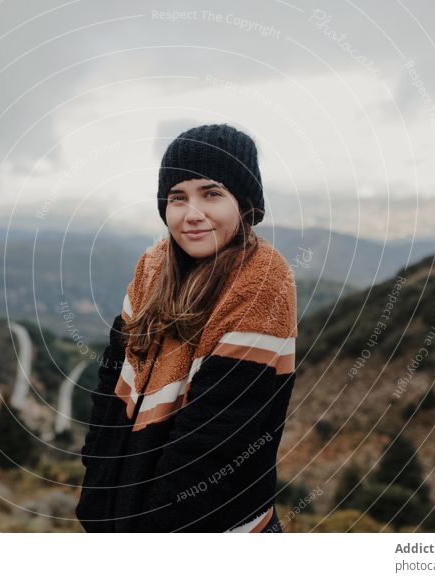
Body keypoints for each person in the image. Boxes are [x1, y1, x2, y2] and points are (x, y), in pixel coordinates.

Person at [75, 123, 298, 532]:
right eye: (178, 198)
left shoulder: (262, 279)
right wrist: (97, 491)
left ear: (245, 203)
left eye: (212, 193)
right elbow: (111, 382)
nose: (192, 214)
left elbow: (216, 439)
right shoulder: (153, 266)